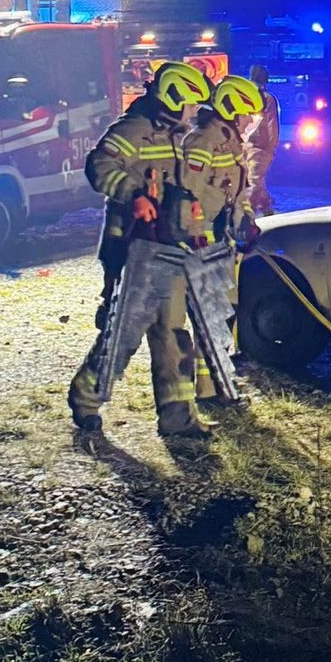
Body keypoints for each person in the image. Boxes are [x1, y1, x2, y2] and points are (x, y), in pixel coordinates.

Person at [68, 60, 213, 439]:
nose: (194, 112)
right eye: (191, 104)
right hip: (132, 246)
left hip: (166, 246)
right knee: (124, 330)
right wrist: (132, 194)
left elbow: (175, 188)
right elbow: (99, 165)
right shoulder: (134, 130)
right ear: (174, 98)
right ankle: (85, 400)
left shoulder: (173, 135)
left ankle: (177, 417)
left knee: (171, 329)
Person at [181, 74, 264, 402]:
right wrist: (198, 235)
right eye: (247, 115)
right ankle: (209, 387)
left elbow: (236, 193)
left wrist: (247, 220)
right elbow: (188, 194)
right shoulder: (202, 141)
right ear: (231, 108)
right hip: (202, 242)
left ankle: (211, 383)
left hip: (221, 240)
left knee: (221, 311)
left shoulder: (230, 142)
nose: (249, 124)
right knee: (209, 311)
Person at [242, 64, 280, 216]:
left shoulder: (243, 97)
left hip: (244, 144)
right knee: (255, 180)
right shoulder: (268, 100)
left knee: (253, 179)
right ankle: (251, 211)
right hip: (260, 147)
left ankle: (261, 209)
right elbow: (272, 126)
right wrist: (272, 148)